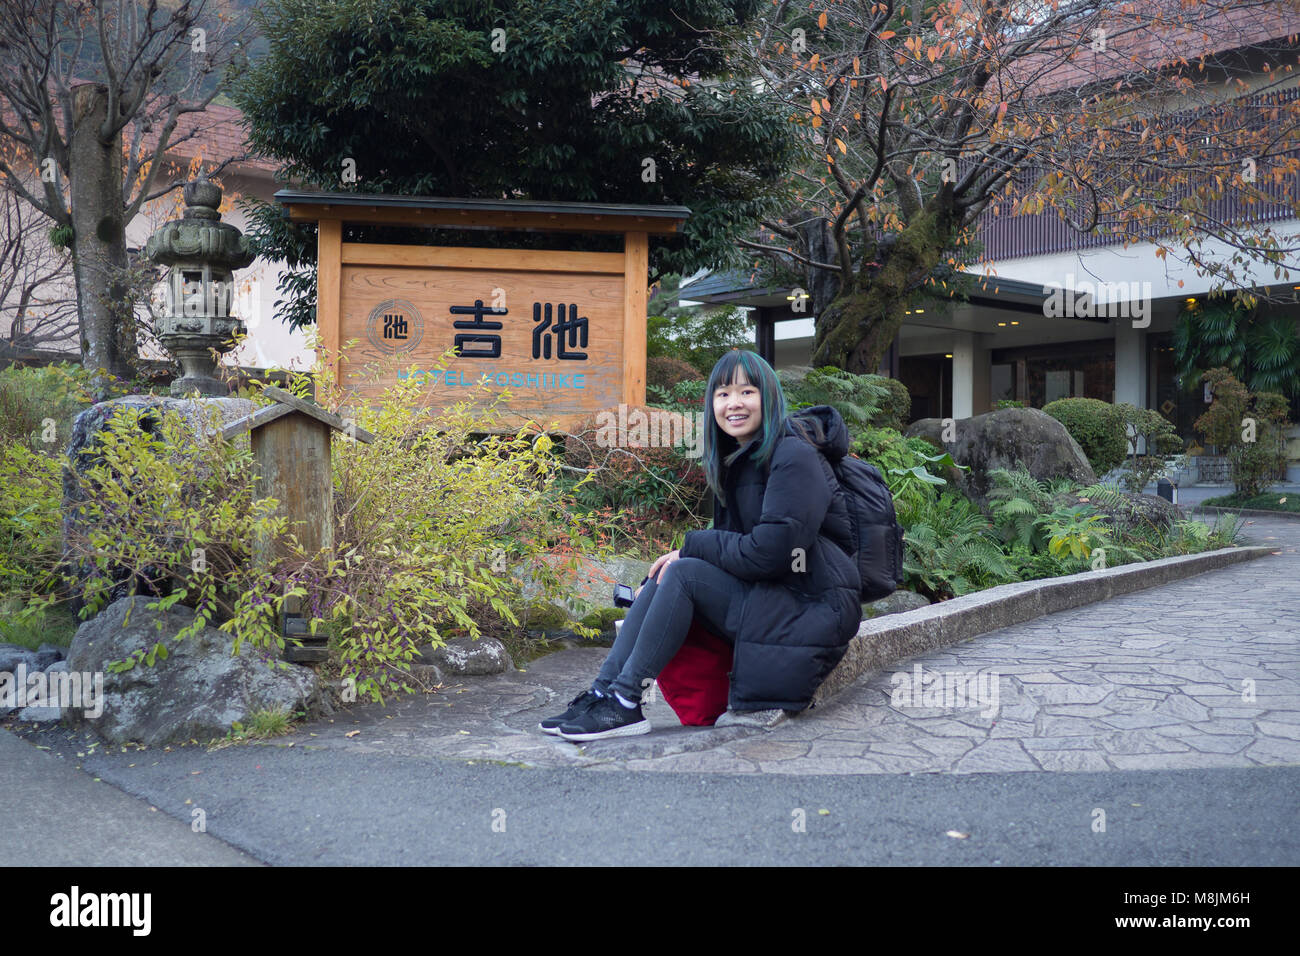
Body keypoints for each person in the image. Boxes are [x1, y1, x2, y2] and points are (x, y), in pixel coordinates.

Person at [539, 349, 863, 741]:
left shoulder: (794, 455)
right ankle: (604, 691)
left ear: (769, 397)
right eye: (723, 394)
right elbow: (734, 550)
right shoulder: (740, 457)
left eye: (747, 392)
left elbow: (771, 553)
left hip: (808, 603)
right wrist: (653, 589)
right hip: (773, 593)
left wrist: (690, 547)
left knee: (685, 571)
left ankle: (625, 702)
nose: (734, 404)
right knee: (669, 574)